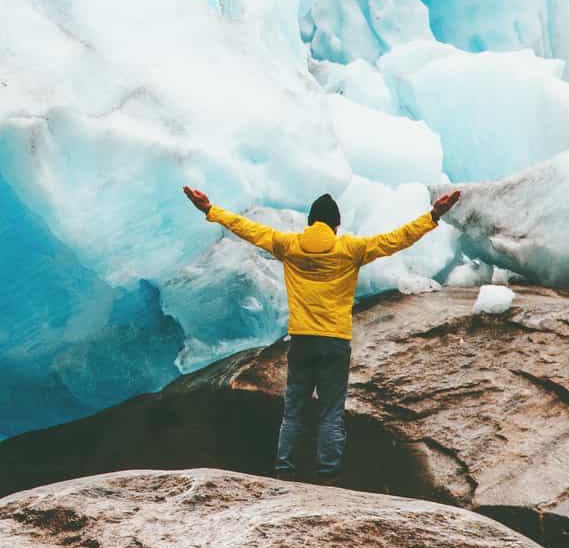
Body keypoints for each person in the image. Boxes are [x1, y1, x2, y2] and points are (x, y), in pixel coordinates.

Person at [181, 185, 460, 485]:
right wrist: (433, 216)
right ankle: (327, 474)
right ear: (335, 226)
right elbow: (396, 239)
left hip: (302, 340)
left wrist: (210, 209)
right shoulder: (350, 249)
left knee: (294, 412)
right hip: (335, 341)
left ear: (311, 223)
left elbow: (247, 229)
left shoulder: (289, 244)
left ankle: (285, 469)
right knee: (330, 412)